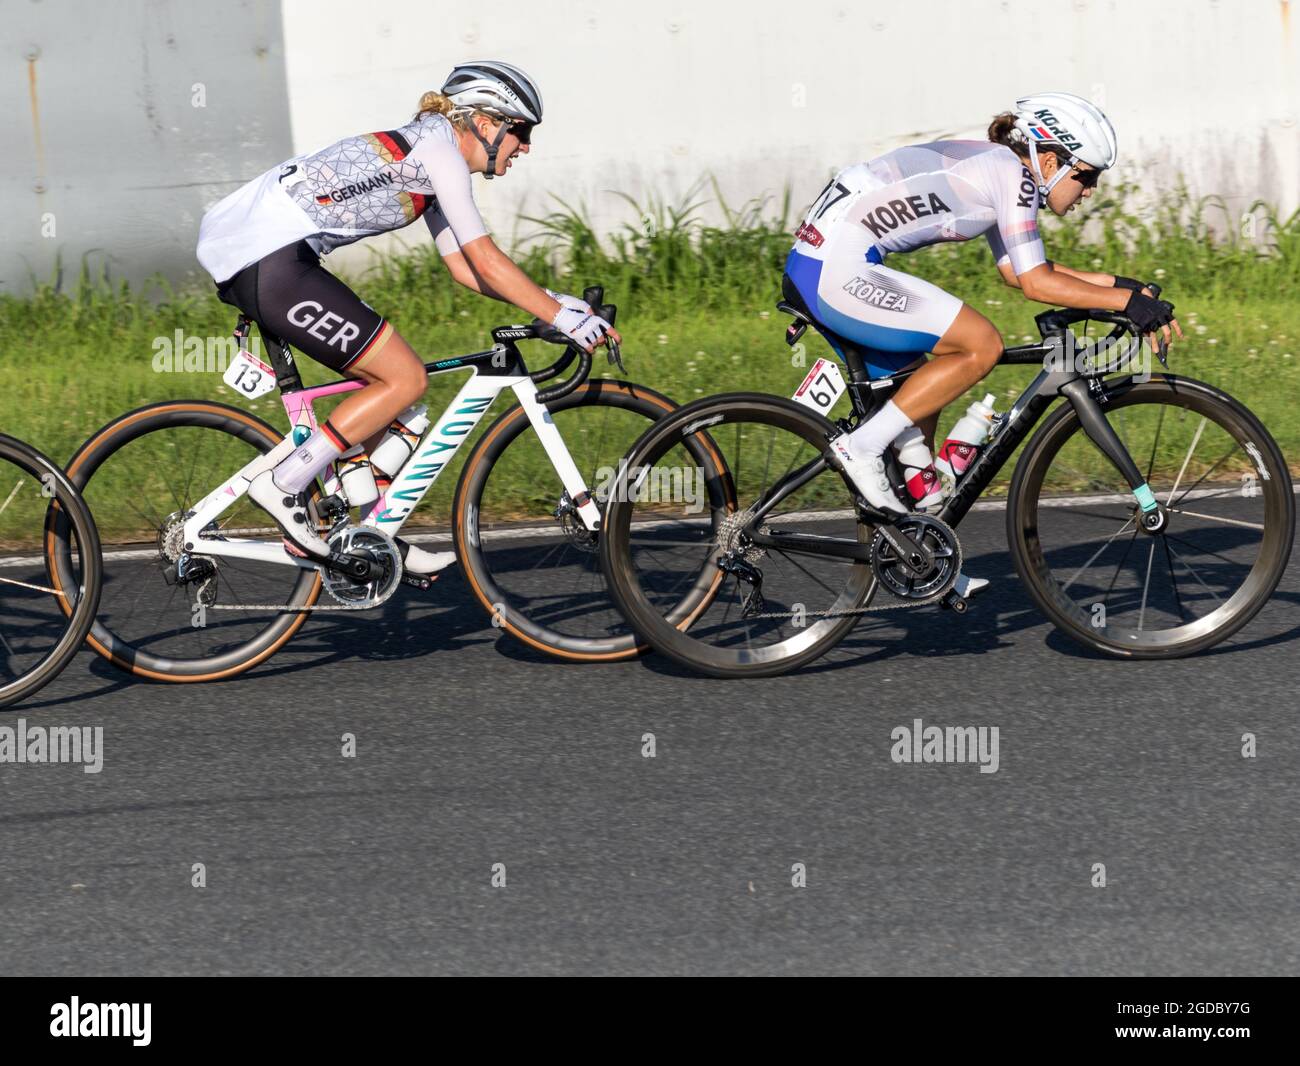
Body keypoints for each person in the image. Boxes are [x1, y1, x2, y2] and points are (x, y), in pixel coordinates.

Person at [196, 61, 619, 571]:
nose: (525, 146)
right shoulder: (440, 155)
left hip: (268, 256)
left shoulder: (432, 152)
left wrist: (555, 302)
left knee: (399, 406)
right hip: (266, 258)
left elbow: (465, 270)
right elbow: (484, 258)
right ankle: (283, 484)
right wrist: (561, 316)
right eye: (521, 131)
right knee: (404, 378)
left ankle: (368, 531)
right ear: (487, 124)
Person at [783, 91, 1181, 596]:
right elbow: (1037, 284)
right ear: (1052, 160)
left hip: (822, 262)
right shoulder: (1012, 177)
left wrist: (1120, 288)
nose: (1090, 191)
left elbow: (1019, 270)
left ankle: (921, 551)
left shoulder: (1001, 171)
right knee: (981, 345)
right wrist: (1126, 306)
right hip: (836, 269)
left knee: (923, 384)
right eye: (1086, 176)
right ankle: (859, 449)